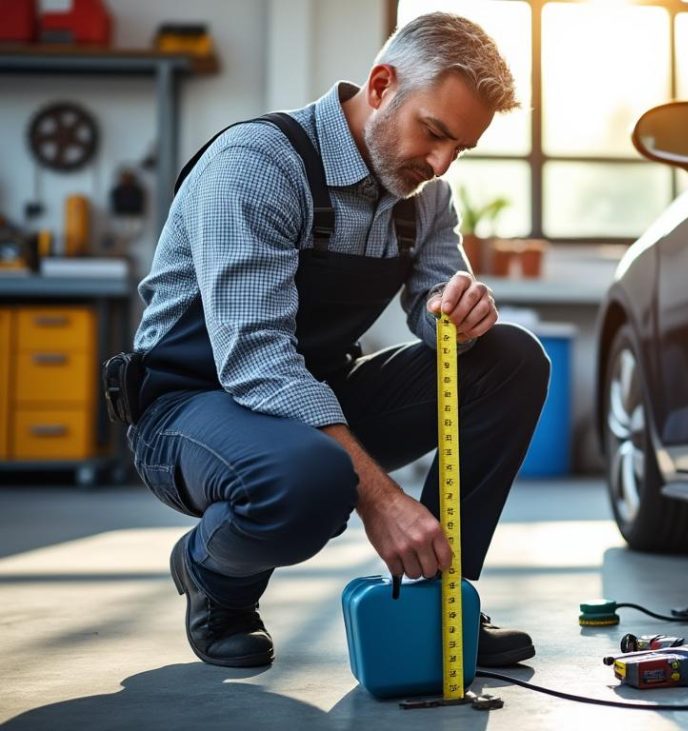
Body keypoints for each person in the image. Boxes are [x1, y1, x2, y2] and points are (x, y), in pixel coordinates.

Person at [126, 12, 548, 669]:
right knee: (312, 478)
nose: (440, 163)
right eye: (434, 133)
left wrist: (458, 313)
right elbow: (257, 359)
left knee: (513, 358)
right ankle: (215, 576)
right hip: (189, 408)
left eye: (459, 147)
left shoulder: (426, 195)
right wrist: (382, 500)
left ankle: (445, 600)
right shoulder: (258, 165)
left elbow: (433, 303)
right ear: (381, 86)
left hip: (313, 395)